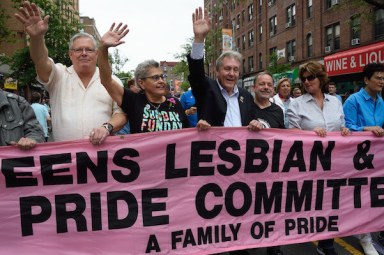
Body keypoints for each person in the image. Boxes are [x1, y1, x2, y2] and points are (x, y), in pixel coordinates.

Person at [14, 1, 127, 145]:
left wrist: (107, 127)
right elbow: (41, 60)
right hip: (66, 158)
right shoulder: (59, 75)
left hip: (102, 156)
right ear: (70, 55)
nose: (84, 53)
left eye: (89, 50)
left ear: (97, 54)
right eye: (78, 50)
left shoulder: (112, 80)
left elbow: (121, 112)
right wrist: (37, 38)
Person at [287, 61, 350, 255]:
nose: (306, 82)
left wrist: (345, 131)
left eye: (310, 78)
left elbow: (341, 126)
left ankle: (327, 244)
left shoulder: (336, 102)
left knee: (331, 204)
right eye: (303, 79)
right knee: (313, 205)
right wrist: (309, 133)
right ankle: (319, 241)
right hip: (309, 165)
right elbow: (290, 133)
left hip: (334, 165)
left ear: (321, 78)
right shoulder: (296, 104)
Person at [97, 23, 190, 133]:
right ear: (141, 83)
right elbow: (106, 80)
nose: (161, 81)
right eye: (155, 78)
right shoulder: (134, 101)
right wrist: (103, 48)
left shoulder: (175, 103)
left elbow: (187, 135)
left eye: (162, 77)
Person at [187, 7, 257, 131]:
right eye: (227, 69)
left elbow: (252, 121)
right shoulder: (207, 89)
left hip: (241, 149)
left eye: (235, 70)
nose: (231, 73)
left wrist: (257, 124)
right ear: (217, 71)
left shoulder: (246, 96)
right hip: (212, 149)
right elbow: (196, 73)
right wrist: (199, 39)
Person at [343, 62, 384, 255]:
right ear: (366, 79)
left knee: (376, 195)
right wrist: (365, 129)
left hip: (376, 158)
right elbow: (346, 128)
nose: (382, 81)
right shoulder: (353, 100)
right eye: (378, 78)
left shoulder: (381, 101)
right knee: (361, 197)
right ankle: (365, 238)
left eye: (383, 78)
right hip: (357, 159)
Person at [252, 71, 285, 255]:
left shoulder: (278, 111)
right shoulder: (245, 108)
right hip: (247, 171)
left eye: (269, 84)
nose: (265, 87)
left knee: (273, 209)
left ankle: (274, 247)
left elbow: (284, 137)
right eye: (262, 84)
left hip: (272, 170)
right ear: (254, 87)